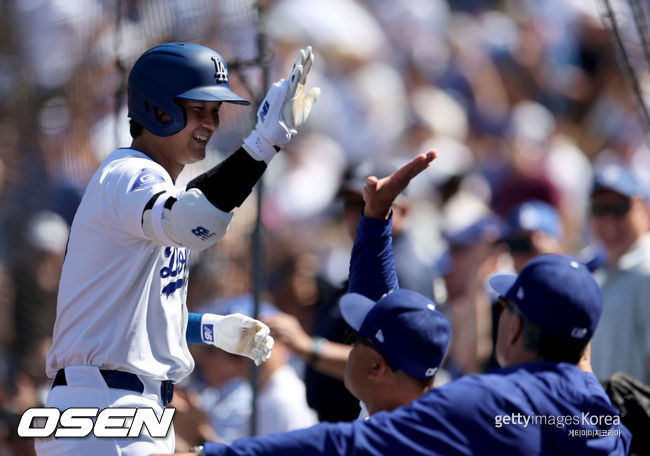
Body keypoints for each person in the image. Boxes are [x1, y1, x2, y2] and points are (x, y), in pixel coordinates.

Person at [162, 152, 631, 455]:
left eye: (507, 307)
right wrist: (374, 222)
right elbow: (381, 313)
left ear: (513, 328)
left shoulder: (489, 404)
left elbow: (340, 446)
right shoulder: (600, 416)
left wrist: (212, 452)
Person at [36, 42, 319, 456]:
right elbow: (195, 222)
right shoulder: (129, 174)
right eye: (198, 108)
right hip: (105, 411)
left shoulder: (153, 185)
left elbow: (135, 316)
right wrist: (263, 143)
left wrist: (209, 329)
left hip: (122, 410)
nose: (210, 122)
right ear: (158, 109)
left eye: (215, 111)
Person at [340, 288, 450, 419]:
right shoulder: (440, 427)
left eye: (355, 338)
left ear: (376, 366)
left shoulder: (373, 435)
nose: (351, 345)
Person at [587, 163, 650, 384]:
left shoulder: (646, 272)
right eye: (600, 210)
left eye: (620, 208)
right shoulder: (600, 269)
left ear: (645, 211)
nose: (609, 221)